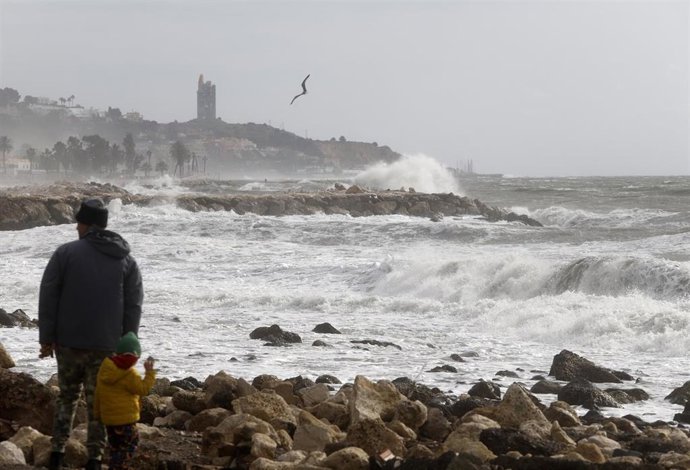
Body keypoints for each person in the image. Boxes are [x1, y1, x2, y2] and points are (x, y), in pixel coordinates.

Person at [38, 198, 144, 470]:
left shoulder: (65, 254)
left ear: (86, 225)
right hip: (107, 345)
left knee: (67, 397)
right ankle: (95, 459)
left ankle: (57, 454)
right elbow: (134, 304)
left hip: (69, 343)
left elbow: (48, 297)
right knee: (98, 404)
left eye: (79, 223)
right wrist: (128, 342)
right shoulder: (126, 260)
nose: (76, 228)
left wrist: (46, 338)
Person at [94, 332, 156, 470]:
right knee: (131, 444)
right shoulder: (130, 373)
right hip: (126, 420)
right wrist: (150, 373)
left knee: (115, 448)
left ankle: (115, 466)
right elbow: (143, 389)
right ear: (135, 357)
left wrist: (98, 414)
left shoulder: (104, 369)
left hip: (109, 420)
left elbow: (98, 394)